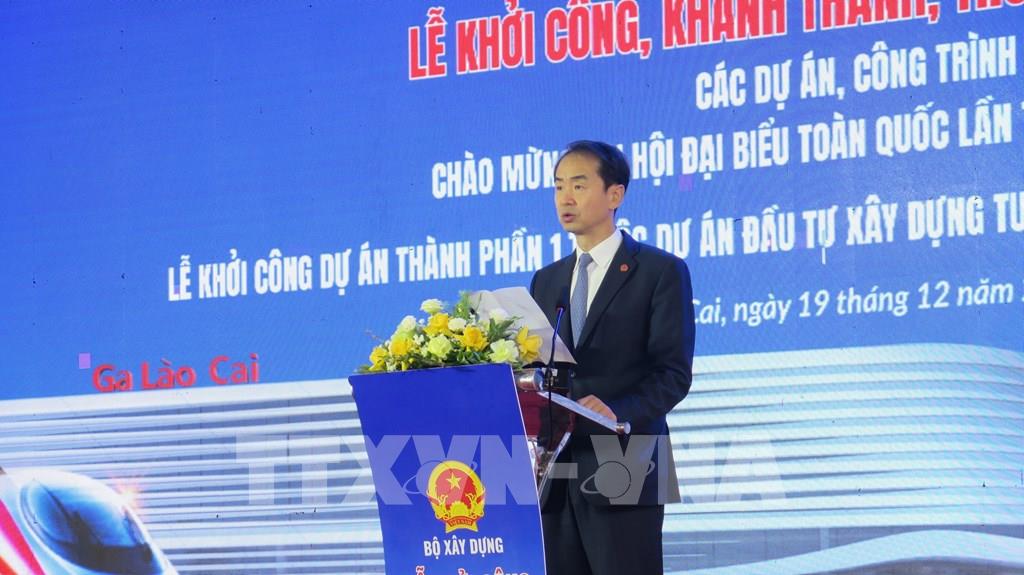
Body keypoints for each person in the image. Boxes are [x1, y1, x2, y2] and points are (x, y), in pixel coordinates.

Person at [529, 140, 695, 575]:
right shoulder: (546, 281)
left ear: (614, 194)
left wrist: (617, 411)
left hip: (626, 462)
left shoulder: (659, 271)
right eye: (558, 186)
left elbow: (672, 374)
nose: (565, 198)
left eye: (578, 185)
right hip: (556, 472)